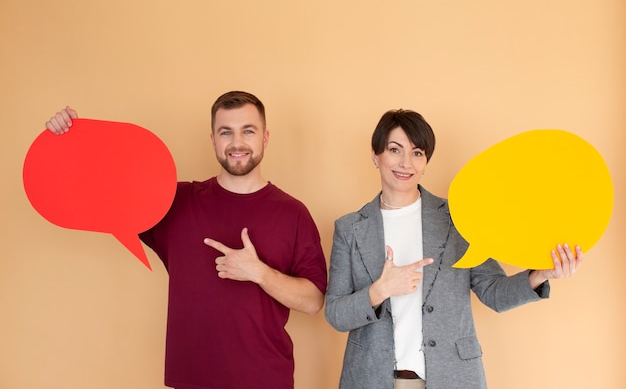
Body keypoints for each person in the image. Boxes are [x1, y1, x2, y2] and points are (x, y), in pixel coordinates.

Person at [45, 92, 328, 389]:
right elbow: (101, 190)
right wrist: (70, 139)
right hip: (192, 381)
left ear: (265, 138)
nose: (237, 143)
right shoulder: (175, 201)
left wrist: (259, 273)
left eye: (248, 130)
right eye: (226, 132)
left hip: (264, 380)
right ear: (213, 140)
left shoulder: (293, 213)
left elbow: (313, 302)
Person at [324, 109, 583, 389]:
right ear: (376, 156)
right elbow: (335, 313)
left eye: (417, 153)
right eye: (394, 150)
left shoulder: (456, 218)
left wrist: (540, 275)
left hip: (453, 377)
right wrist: (380, 290)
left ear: (426, 163)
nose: (405, 163)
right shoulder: (350, 228)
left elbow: (493, 292)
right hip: (370, 378)